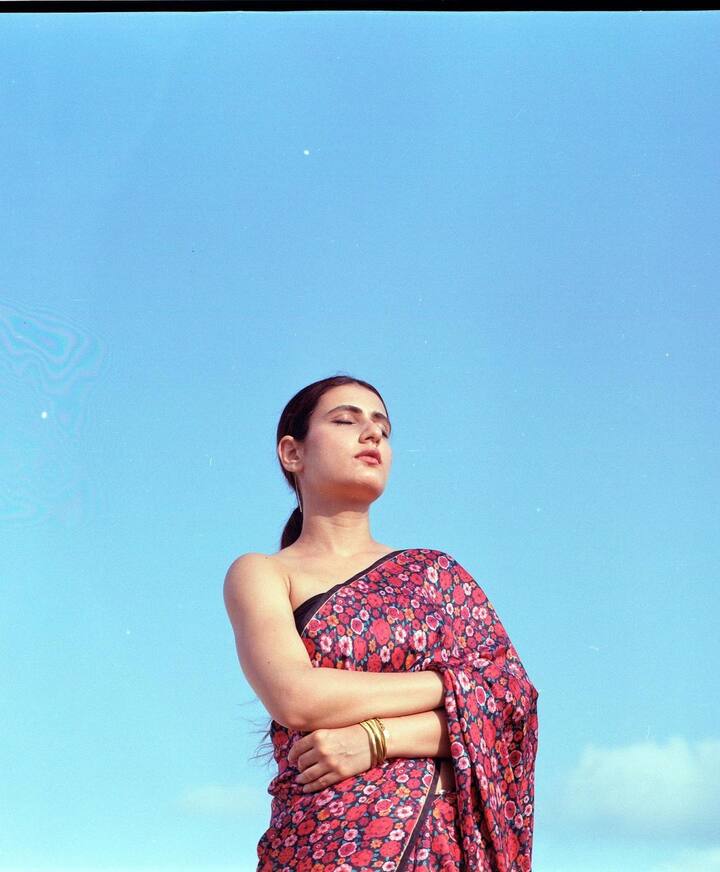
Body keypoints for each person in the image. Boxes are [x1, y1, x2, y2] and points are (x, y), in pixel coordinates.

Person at [223, 375, 539, 871]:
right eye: (345, 421)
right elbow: (296, 696)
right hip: (320, 845)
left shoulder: (437, 576)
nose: (371, 434)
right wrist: (450, 686)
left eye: (383, 429)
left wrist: (374, 740)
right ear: (292, 452)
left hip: (441, 852)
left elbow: (509, 709)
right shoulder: (263, 574)